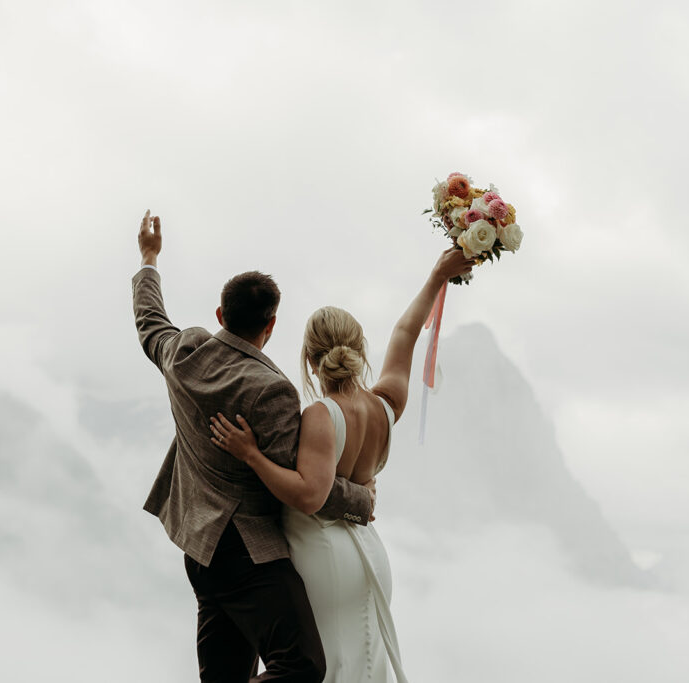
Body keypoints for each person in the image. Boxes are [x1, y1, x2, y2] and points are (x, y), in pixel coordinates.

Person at [132, 210, 376, 682]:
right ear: (272, 324)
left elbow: (149, 320)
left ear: (221, 314)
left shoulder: (184, 353)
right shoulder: (272, 390)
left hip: (199, 552)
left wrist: (149, 257)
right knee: (301, 668)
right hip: (249, 555)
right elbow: (307, 486)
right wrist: (361, 499)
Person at [210, 247, 474, 682]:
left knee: (323, 668)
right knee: (363, 666)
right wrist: (437, 275)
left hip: (323, 557)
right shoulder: (386, 405)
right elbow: (407, 332)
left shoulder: (319, 415)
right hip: (369, 554)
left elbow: (311, 496)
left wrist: (251, 455)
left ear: (311, 358)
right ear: (359, 348)